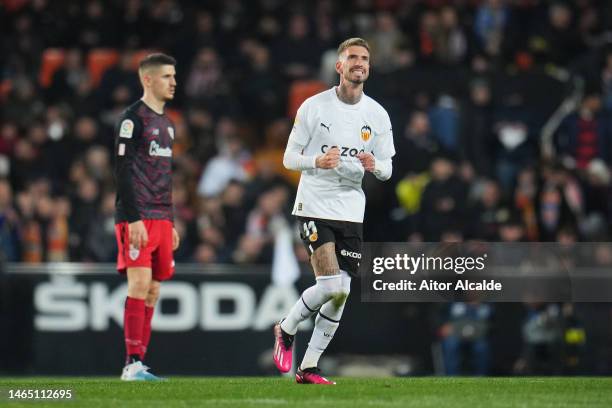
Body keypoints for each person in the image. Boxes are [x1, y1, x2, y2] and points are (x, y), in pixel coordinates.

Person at [273, 38, 395, 384]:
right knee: (330, 287)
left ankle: (308, 367)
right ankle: (286, 327)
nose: (360, 63)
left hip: (352, 210)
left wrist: (374, 165)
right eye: (353, 57)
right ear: (339, 66)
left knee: (340, 294)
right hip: (314, 202)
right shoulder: (313, 107)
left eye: (365, 58)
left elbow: (388, 168)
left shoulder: (377, 114)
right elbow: (288, 157)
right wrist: (316, 160)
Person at [114, 53, 179, 381]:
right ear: (148, 79)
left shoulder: (168, 125)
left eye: (174, 76)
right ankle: (131, 363)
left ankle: (140, 363)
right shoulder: (132, 119)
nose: (173, 82)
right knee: (138, 284)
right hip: (136, 217)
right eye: (167, 76)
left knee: (153, 290)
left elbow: (165, 175)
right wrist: (134, 217)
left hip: (162, 218)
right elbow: (123, 170)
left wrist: (172, 220)